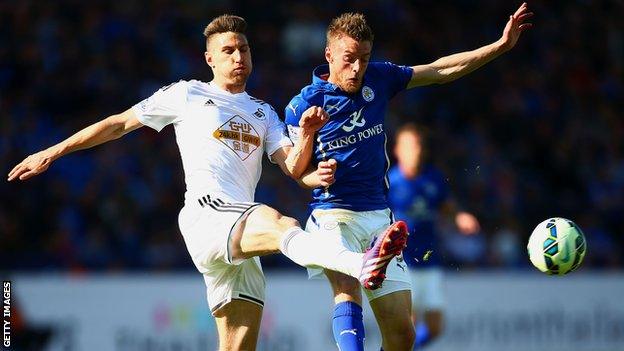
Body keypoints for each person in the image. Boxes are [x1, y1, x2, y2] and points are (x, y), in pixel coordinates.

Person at [7, 15, 408, 351]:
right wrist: (53, 151)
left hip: (239, 237)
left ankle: (360, 263)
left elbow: (295, 169)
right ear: (209, 59)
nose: (239, 57)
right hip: (208, 214)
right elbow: (118, 125)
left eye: (244, 49)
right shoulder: (187, 94)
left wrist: (307, 140)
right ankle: (361, 263)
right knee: (283, 224)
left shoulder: (264, 113)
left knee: (238, 345)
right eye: (229, 51)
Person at [284, 4, 531, 350]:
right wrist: (310, 143)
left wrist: (499, 46)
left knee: (403, 335)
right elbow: (296, 170)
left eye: (365, 58)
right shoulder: (303, 105)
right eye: (348, 58)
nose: (357, 68)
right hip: (332, 215)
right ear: (329, 53)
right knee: (345, 287)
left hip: (378, 218)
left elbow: (439, 70)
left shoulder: (379, 79)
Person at [388, 124, 480, 349]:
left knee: (436, 327)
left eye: (418, 145)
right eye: (410, 146)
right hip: (403, 263)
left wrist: (460, 217)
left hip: (431, 260)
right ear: (398, 150)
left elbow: (446, 206)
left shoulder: (433, 178)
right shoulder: (390, 182)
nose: (415, 151)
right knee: (409, 325)